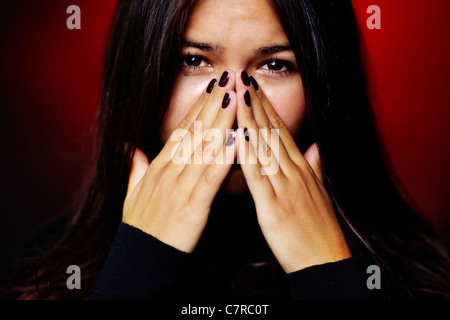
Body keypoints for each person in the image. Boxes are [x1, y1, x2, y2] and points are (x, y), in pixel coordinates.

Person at [4, 0, 450, 300]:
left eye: (276, 65)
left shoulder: (419, 277)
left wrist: (327, 272)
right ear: (141, 72)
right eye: (193, 60)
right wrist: (140, 262)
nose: (236, 104)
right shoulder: (47, 269)